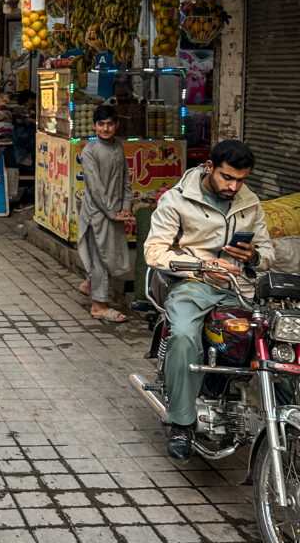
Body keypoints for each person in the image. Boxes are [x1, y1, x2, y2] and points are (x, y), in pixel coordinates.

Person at [144, 139, 275, 460]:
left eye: (241, 180)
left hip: (240, 288)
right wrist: (203, 265)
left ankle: (284, 416)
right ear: (209, 167)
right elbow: (154, 251)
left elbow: (268, 254)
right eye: (227, 177)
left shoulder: (250, 202)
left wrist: (253, 255)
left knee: (276, 339)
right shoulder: (177, 199)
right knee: (185, 335)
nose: (234, 186)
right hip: (192, 284)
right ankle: (181, 422)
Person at [77, 105, 133, 323]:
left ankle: (89, 284)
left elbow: (125, 179)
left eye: (110, 124)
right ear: (94, 126)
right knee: (100, 257)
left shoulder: (118, 146)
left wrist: (125, 206)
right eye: (101, 124)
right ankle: (98, 306)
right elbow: (95, 188)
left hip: (115, 212)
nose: (106, 128)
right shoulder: (90, 151)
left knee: (106, 253)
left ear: (116, 125)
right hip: (97, 214)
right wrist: (111, 212)